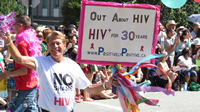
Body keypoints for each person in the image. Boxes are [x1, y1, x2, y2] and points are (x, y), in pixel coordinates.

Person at [0, 30, 113, 112]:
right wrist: (9, 42)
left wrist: (106, 85)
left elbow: (89, 88)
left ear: (64, 45)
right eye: (52, 44)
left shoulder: (73, 65)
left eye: (58, 43)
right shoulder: (42, 62)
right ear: (48, 46)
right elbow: (19, 58)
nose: (55, 46)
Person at [0, 15, 41, 112]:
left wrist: (5, 74)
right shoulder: (28, 40)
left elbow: (24, 70)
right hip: (30, 87)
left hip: (24, 89)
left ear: (20, 26)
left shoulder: (22, 44)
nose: (12, 27)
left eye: (14, 24)